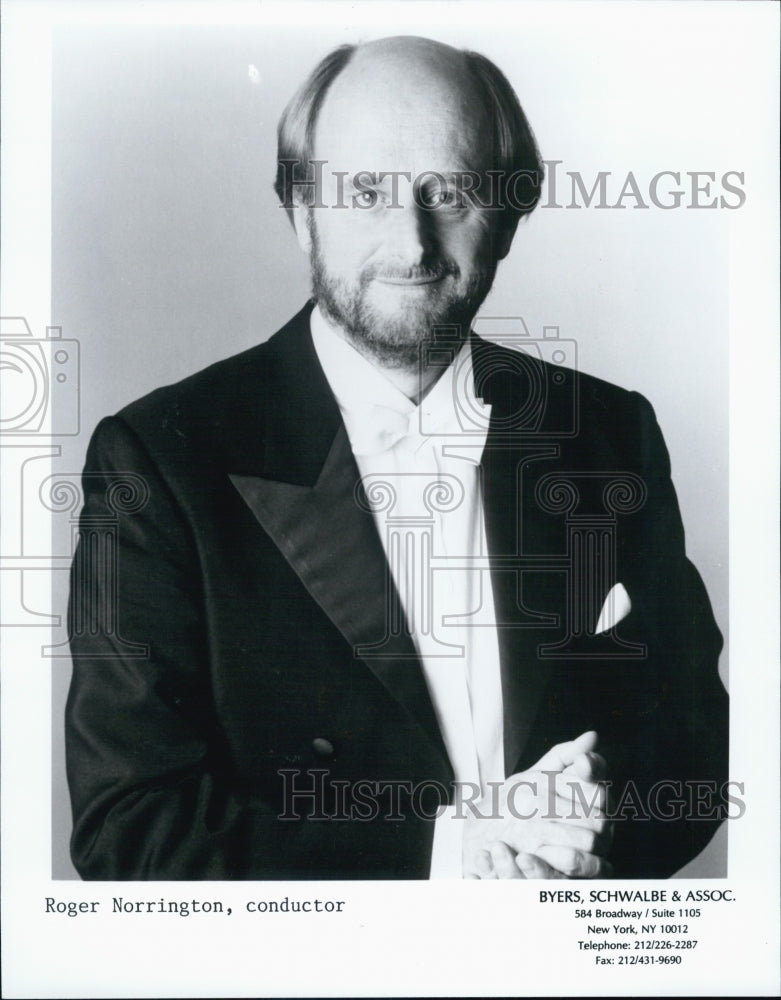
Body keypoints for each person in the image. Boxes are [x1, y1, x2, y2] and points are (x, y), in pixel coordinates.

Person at [65, 35, 728, 880]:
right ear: (300, 208)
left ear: (510, 214)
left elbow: (695, 752)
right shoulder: (158, 461)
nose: (412, 243)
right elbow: (131, 830)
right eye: (366, 191)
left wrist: (598, 802)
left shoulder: (608, 432)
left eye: (448, 192)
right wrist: (449, 855)